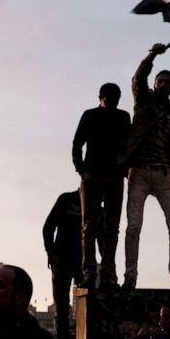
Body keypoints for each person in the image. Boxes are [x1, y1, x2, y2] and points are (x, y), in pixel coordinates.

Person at [121, 43, 170, 291]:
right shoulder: (143, 103)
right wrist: (152, 55)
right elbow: (137, 78)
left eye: (167, 82)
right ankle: (130, 276)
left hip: (165, 175)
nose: (163, 85)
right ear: (154, 84)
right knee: (133, 226)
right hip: (139, 172)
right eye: (159, 81)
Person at [71, 82, 131, 290]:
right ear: (100, 98)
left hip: (113, 177)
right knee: (90, 226)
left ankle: (107, 275)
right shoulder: (90, 115)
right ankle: (91, 273)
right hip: (94, 176)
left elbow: (128, 145)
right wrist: (82, 170)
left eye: (115, 99)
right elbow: (77, 143)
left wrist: (124, 170)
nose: (112, 102)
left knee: (111, 227)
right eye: (108, 99)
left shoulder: (123, 117)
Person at [42, 189, 82, 339]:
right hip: (62, 260)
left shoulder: (96, 204)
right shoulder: (66, 199)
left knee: (87, 307)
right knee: (61, 309)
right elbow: (48, 227)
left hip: (84, 263)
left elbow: (100, 235)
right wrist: (51, 253)